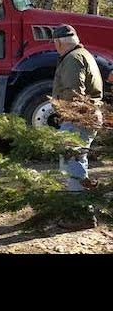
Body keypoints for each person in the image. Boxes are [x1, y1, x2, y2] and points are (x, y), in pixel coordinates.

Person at [51, 24, 103, 192]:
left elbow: (74, 93)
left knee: (72, 161)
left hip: (78, 117)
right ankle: (84, 200)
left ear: (59, 42)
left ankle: (79, 206)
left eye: (54, 42)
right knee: (78, 159)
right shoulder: (83, 54)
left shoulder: (73, 58)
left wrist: (65, 113)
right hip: (87, 116)